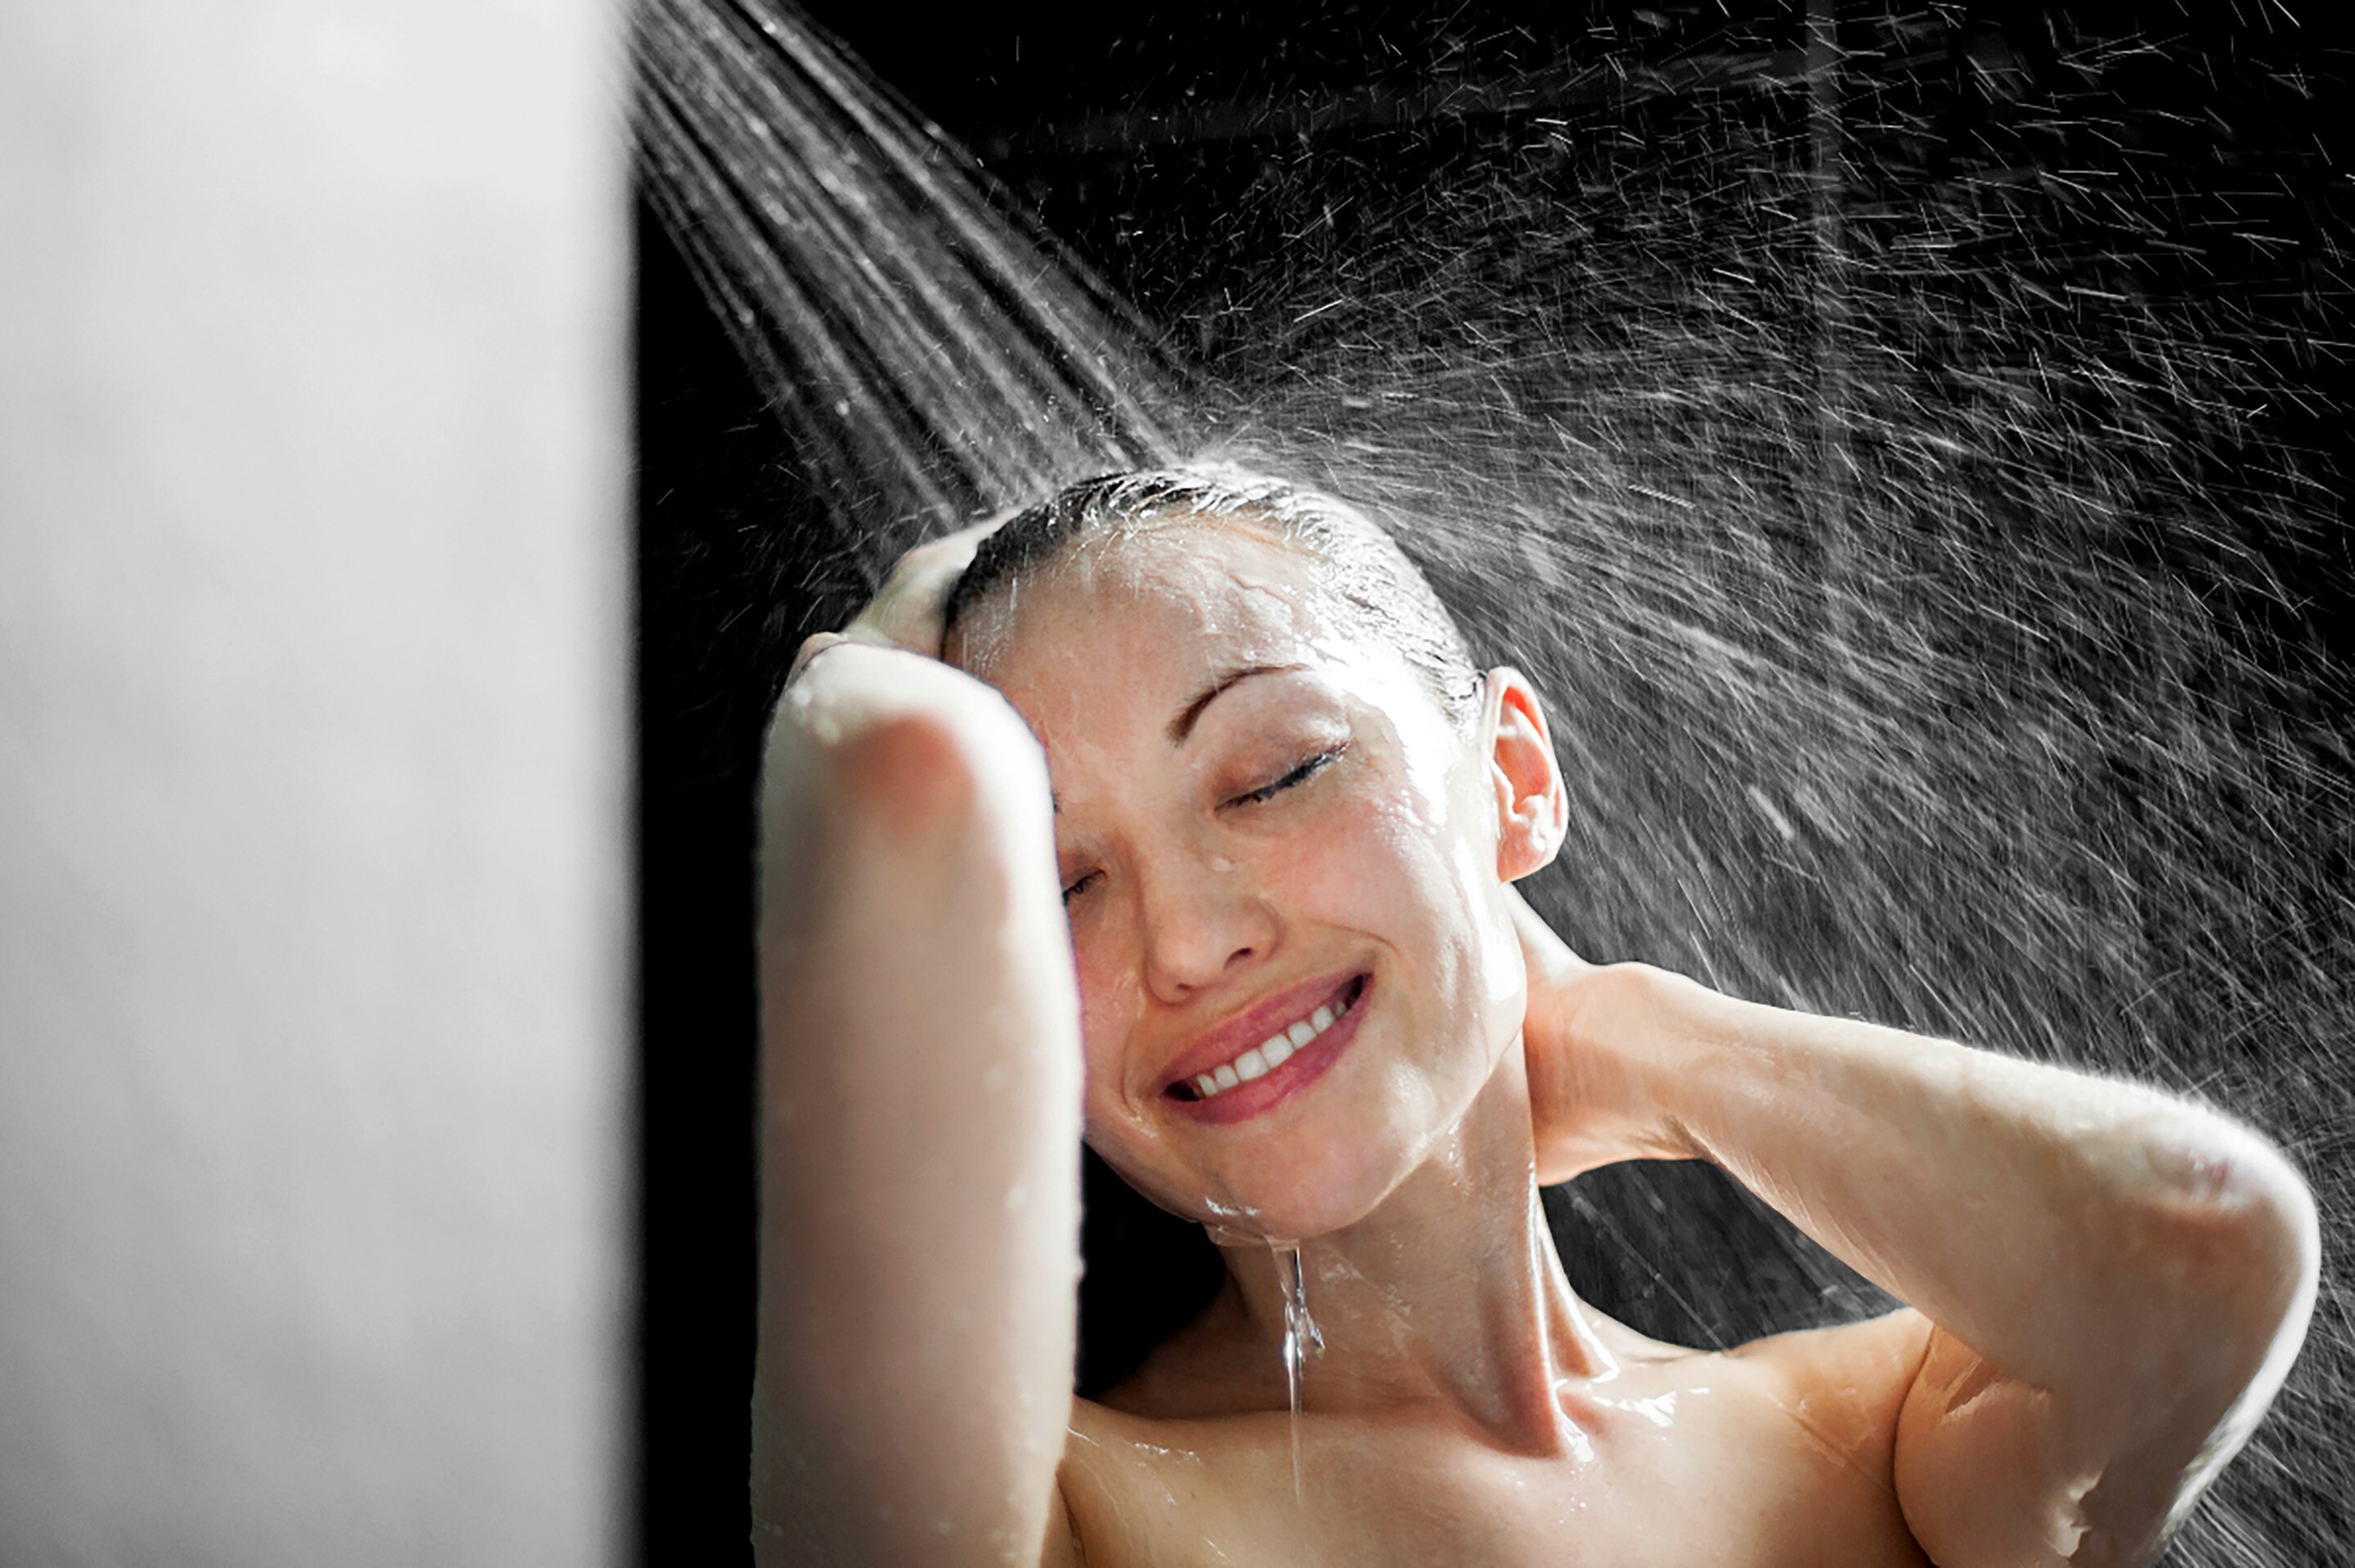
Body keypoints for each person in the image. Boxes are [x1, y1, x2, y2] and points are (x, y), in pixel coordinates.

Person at [751, 466, 2318, 1566]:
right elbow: (884, 780)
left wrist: (1628, 1036)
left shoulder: (1860, 1444)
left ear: (1510, 776)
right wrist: (864, 661)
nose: (1191, 940)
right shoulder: (1064, 1519)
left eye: (1278, 772)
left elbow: (2199, 1247)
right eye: (1061, 881)